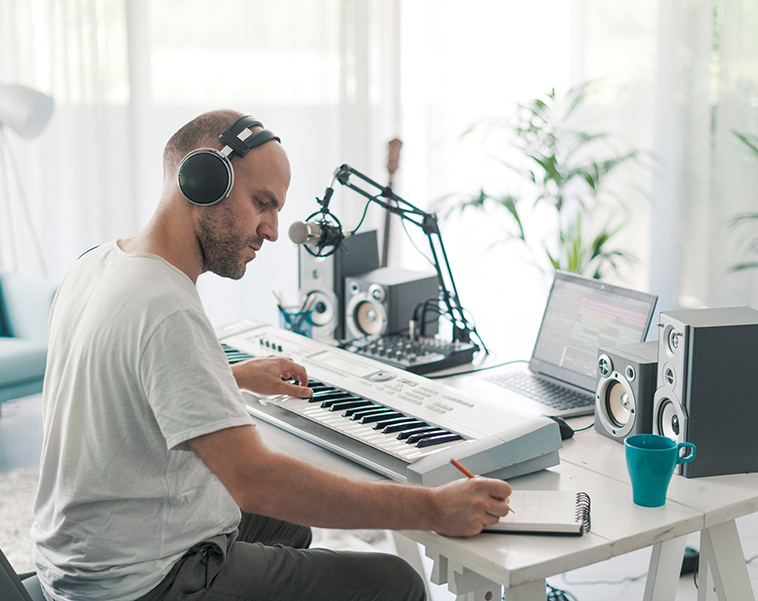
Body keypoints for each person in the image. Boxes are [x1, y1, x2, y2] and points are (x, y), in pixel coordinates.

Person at [31, 109, 513, 601]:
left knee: (289, 529)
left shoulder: (96, 264)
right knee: (395, 584)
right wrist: (432, 508)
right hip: (141, 583)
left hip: (77, 560)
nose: (273, 231)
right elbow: (256, 481)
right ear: (203, 180)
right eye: (262, 203)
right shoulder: (166, 304)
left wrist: (230, 375)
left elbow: (115, 379)